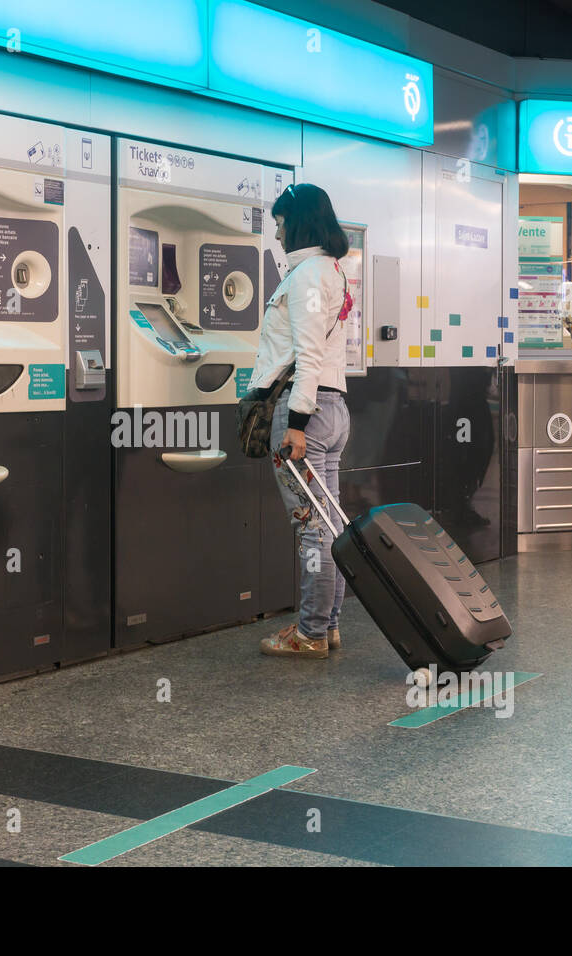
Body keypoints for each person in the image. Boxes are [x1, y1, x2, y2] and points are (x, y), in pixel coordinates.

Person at [250, 183, 351, 658]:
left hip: (305, 415)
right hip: (332, 410)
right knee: (328, 524)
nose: (276, 230)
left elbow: (307, 357)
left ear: (299, 220)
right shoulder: (329, 270)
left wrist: (294, 425)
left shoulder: (309, 274)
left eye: (281, 220)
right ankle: (327, 626)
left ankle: (309, 633)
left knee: (311, 525)